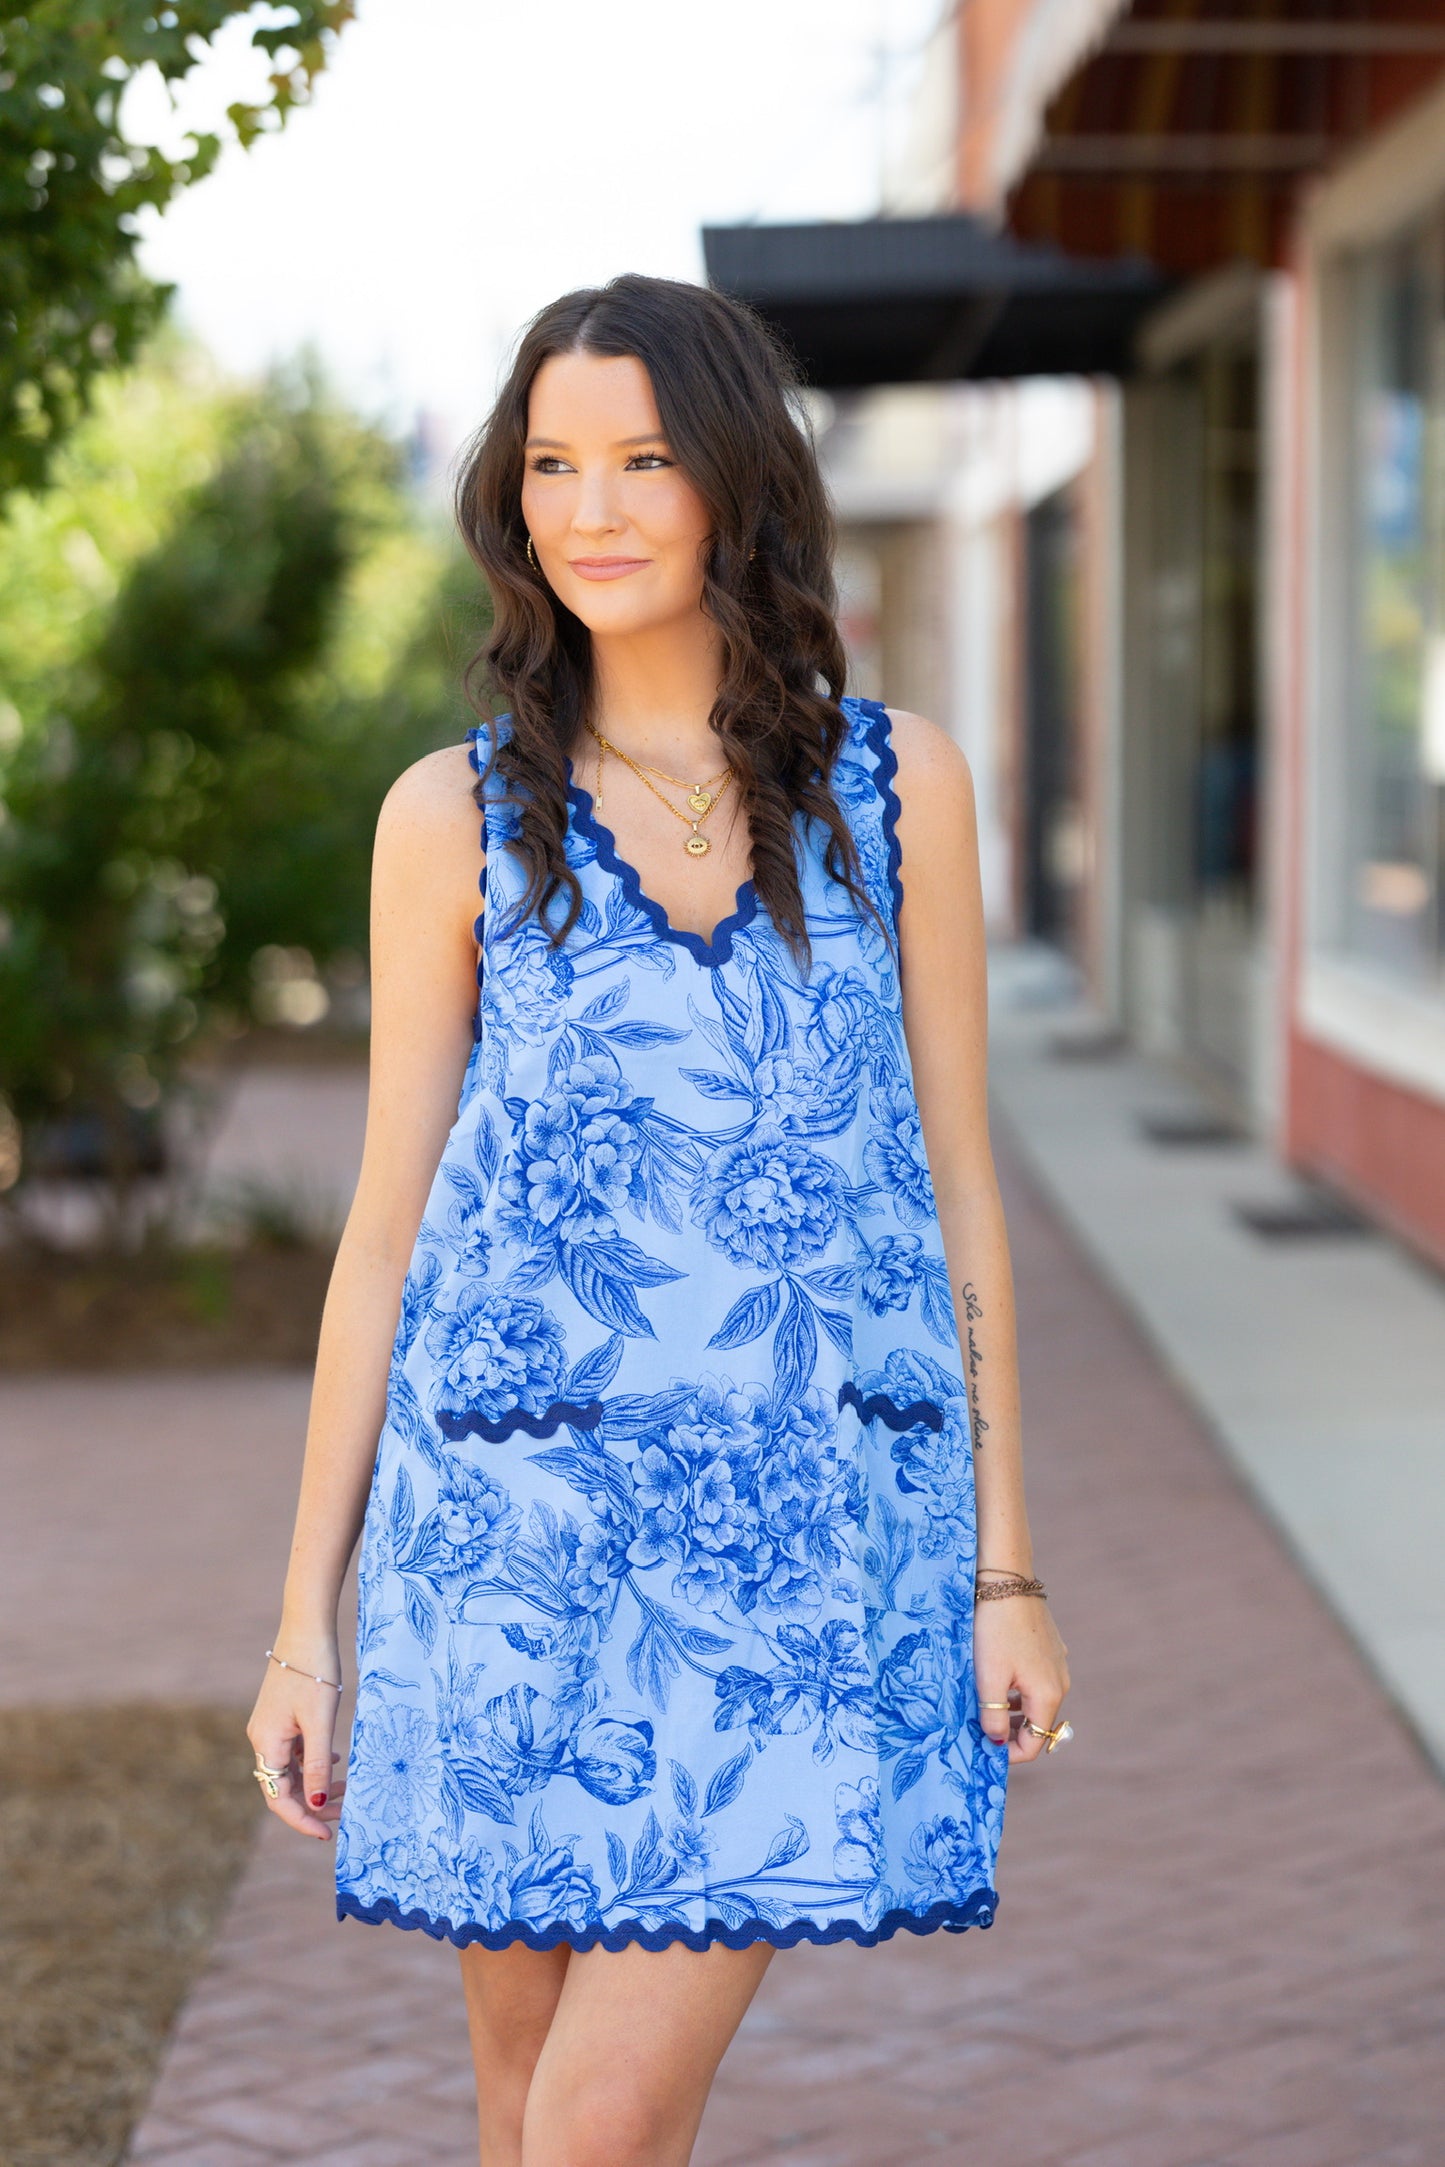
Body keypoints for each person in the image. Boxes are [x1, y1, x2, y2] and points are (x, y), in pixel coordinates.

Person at [247, 273, 1071, 2167]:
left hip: (797, 1556)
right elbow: (388, 1231)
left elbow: (952, 1194)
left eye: (639, 459)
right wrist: (307, 1622)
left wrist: (1003, 1566)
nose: (590, 506)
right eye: (550, 463)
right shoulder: (446, 822)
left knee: (596, 2125)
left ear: (730, 485)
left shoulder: (896, 789)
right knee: (523, 2117)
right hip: (507, 1556)